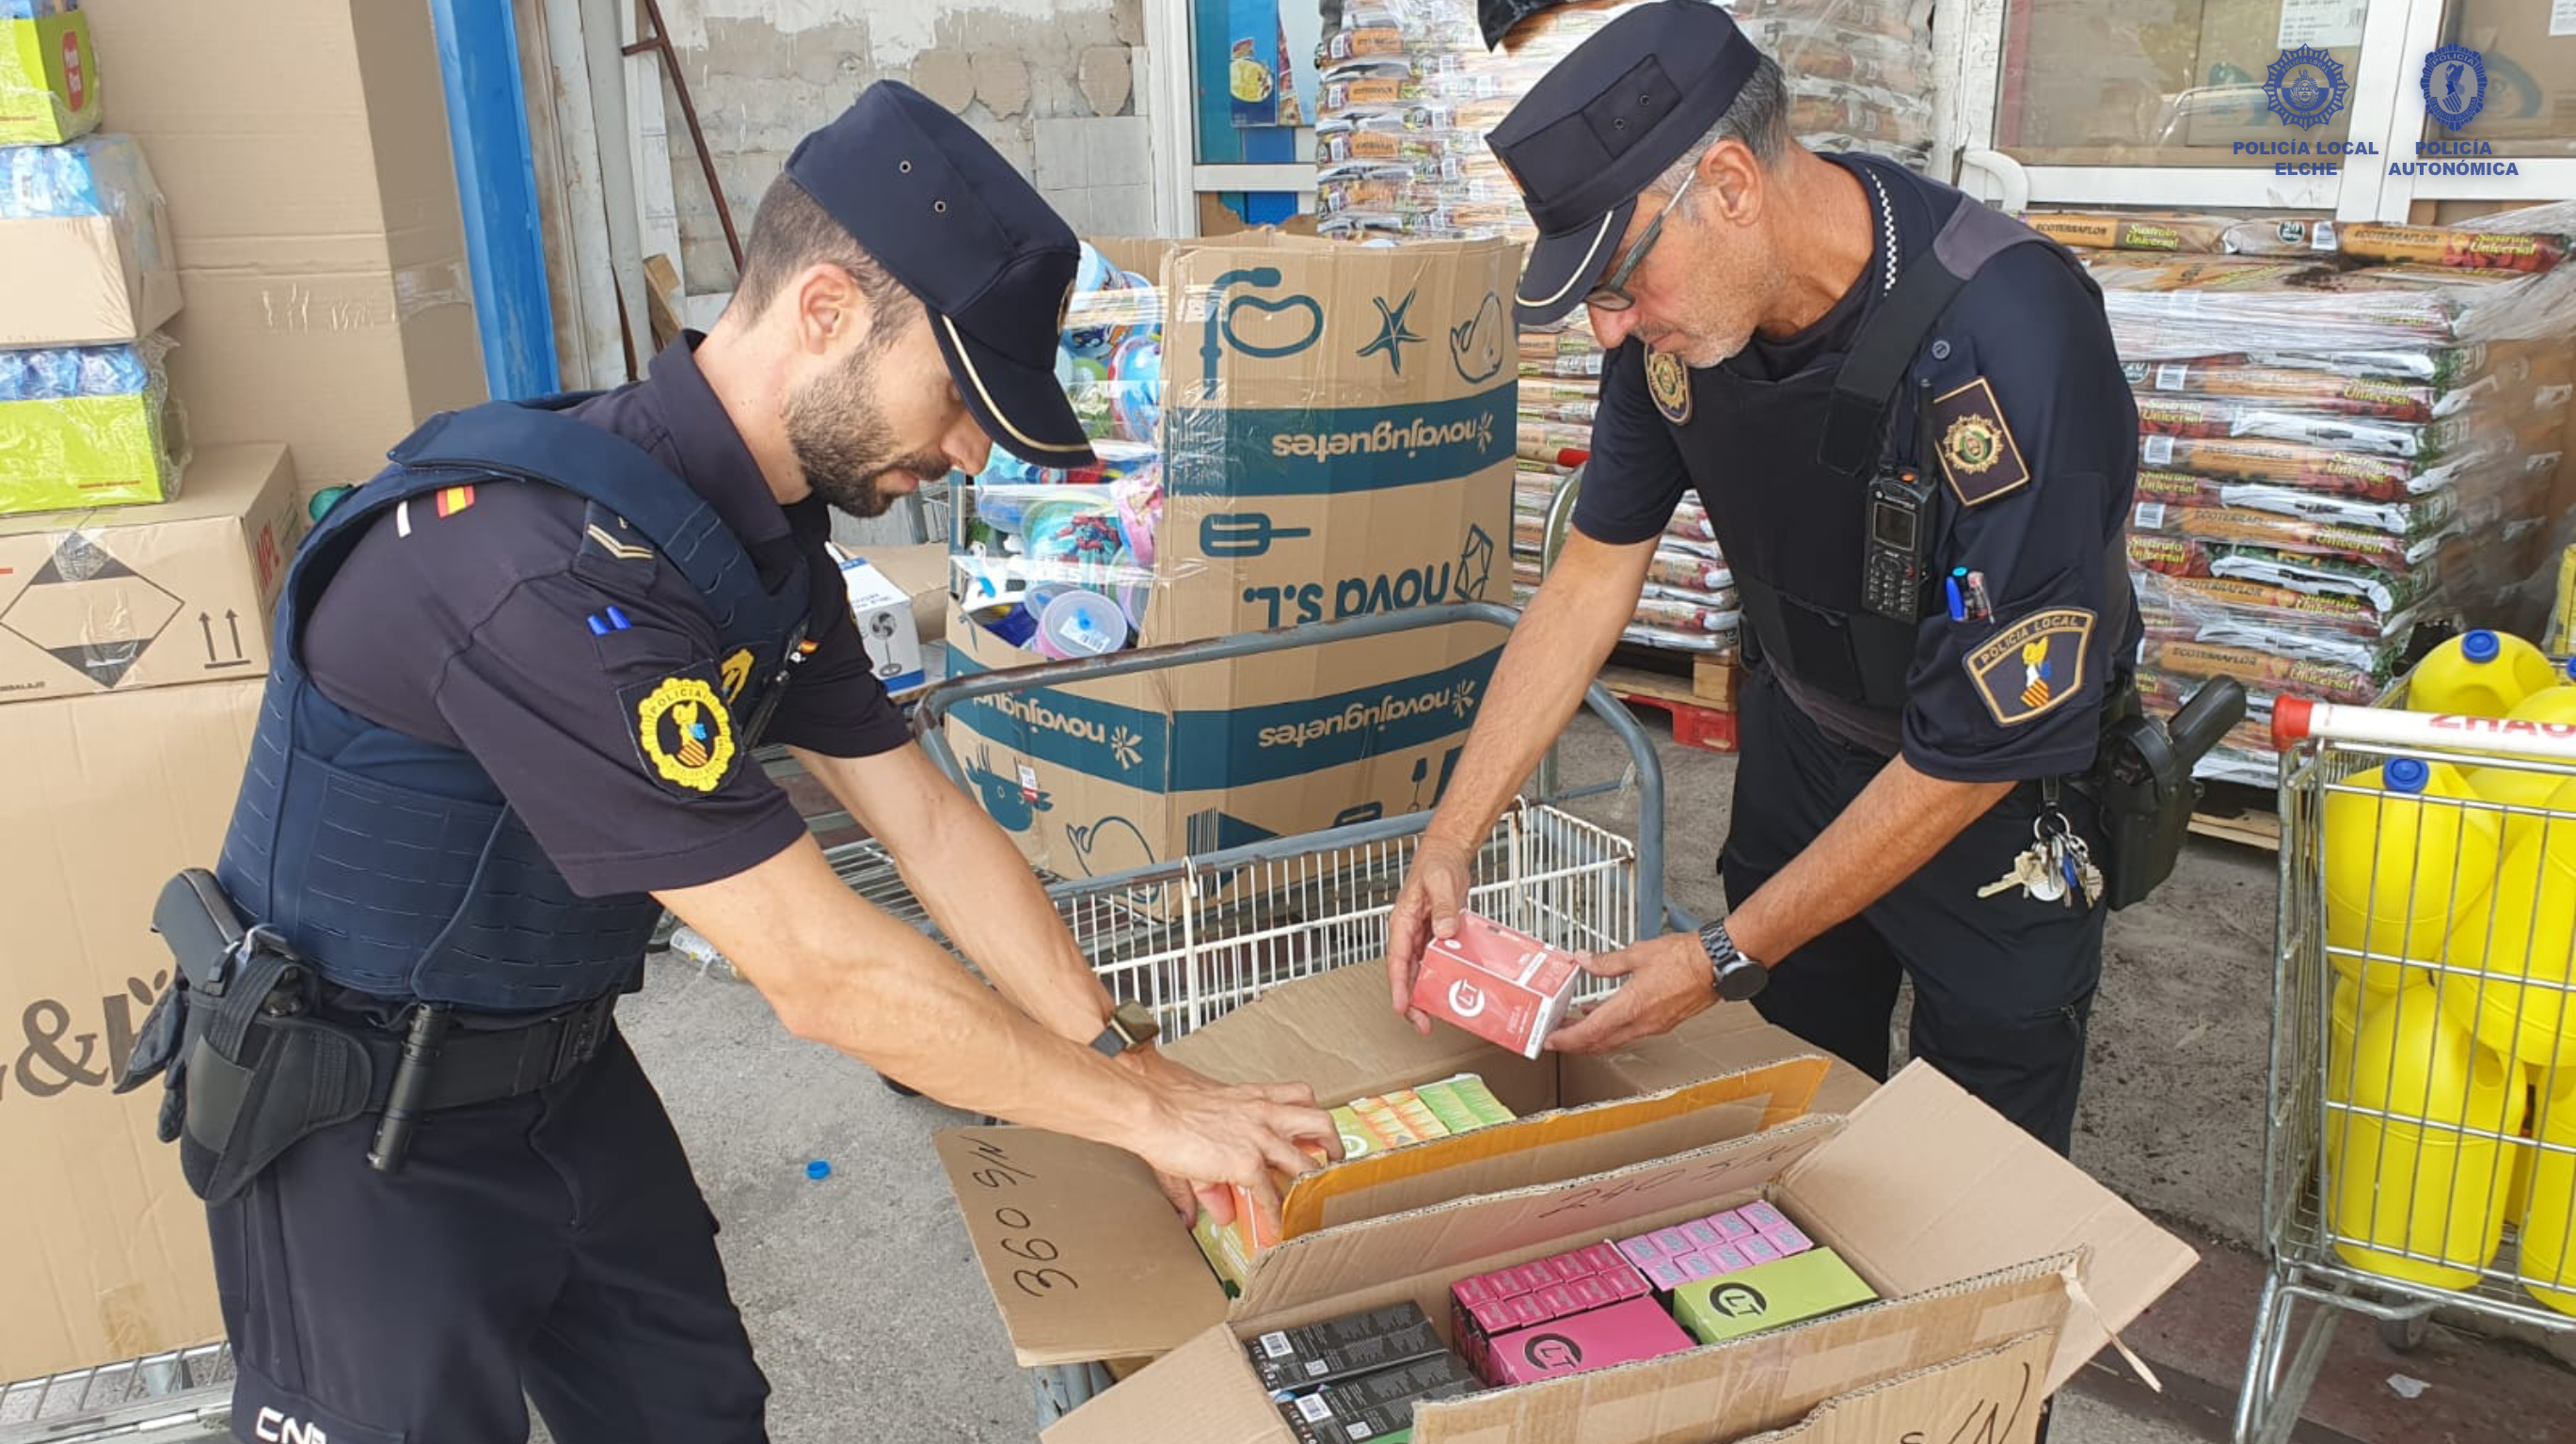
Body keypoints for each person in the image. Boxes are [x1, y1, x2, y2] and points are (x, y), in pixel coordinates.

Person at [123, 82, 1335, 1444]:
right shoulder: (540, 572)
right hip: (356, 1130)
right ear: (823, 312)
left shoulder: (749, 547)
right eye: (956, 393)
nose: (965, 450)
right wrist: (1138, 1118)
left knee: (696, 1411)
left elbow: (926, 822)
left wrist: (1124, 1061)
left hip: (563, 1075)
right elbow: (820, 968)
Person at [1386, 2, 2143, 1161]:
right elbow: (1589, 579)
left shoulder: (2010, 334)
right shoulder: (1668, 334)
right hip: (1802, 740)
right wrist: (1450, 834)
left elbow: (1968, 750)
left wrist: (1717, 953)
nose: (1608, 328)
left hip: (1984, 792)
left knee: (1973, 1166)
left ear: (1730, 183)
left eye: (1620, 279)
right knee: (1791, 1104)